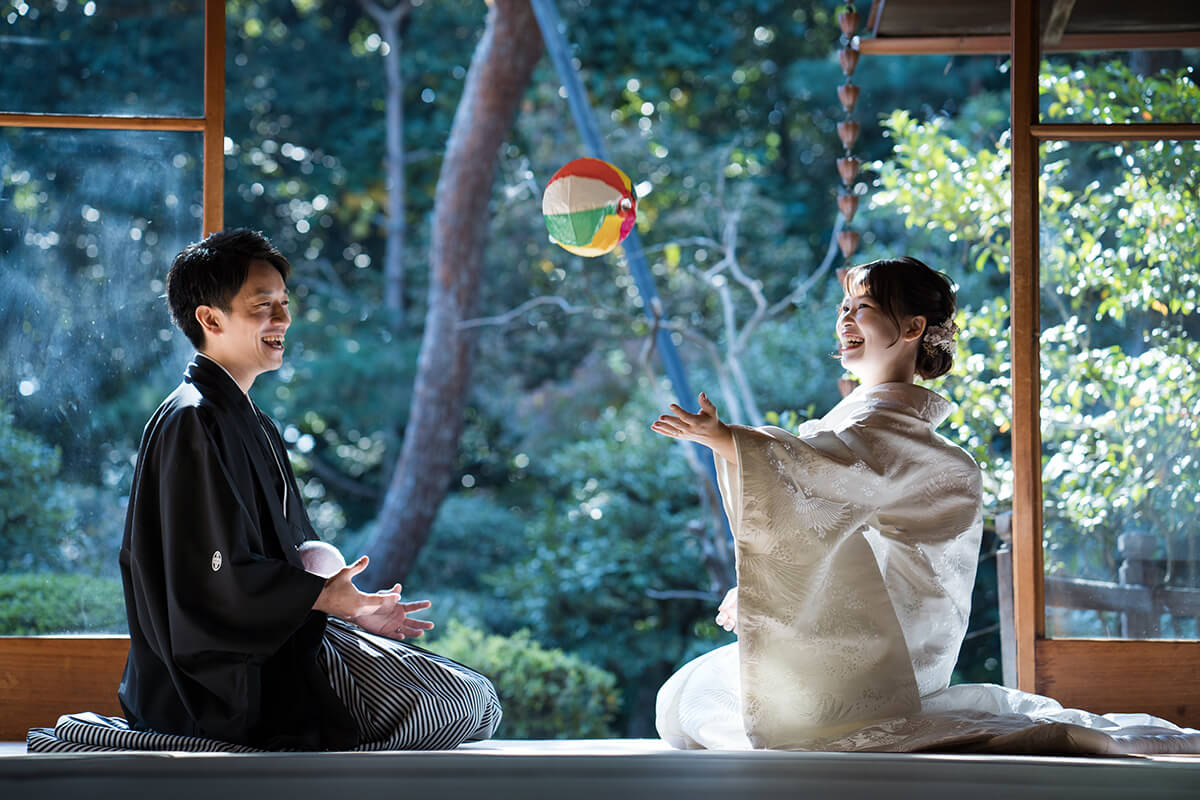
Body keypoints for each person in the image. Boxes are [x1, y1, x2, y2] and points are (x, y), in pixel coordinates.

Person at [651, 256, 1199, 754]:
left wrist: (730, 440)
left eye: (862, 308)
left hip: (888, 654)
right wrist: (760, 589)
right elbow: (821, 487)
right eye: (843, 307)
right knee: (689, 700)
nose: (845, 320)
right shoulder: (872, 430)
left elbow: (820, 470)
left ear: (913, 328)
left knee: (698, 703)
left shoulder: (897, 440)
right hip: (873, 640)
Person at [104, 229, 501, 752]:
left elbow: (293, 553)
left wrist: (348, 605)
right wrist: (319, 596)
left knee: (476, 698)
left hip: (280, 639)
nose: (282, 320)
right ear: (210, 318)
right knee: (453, 705)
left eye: (284, 304)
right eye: (262, 306)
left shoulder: (252, 422)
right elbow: (208, 582)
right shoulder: (193, 421)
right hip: (216, 683)